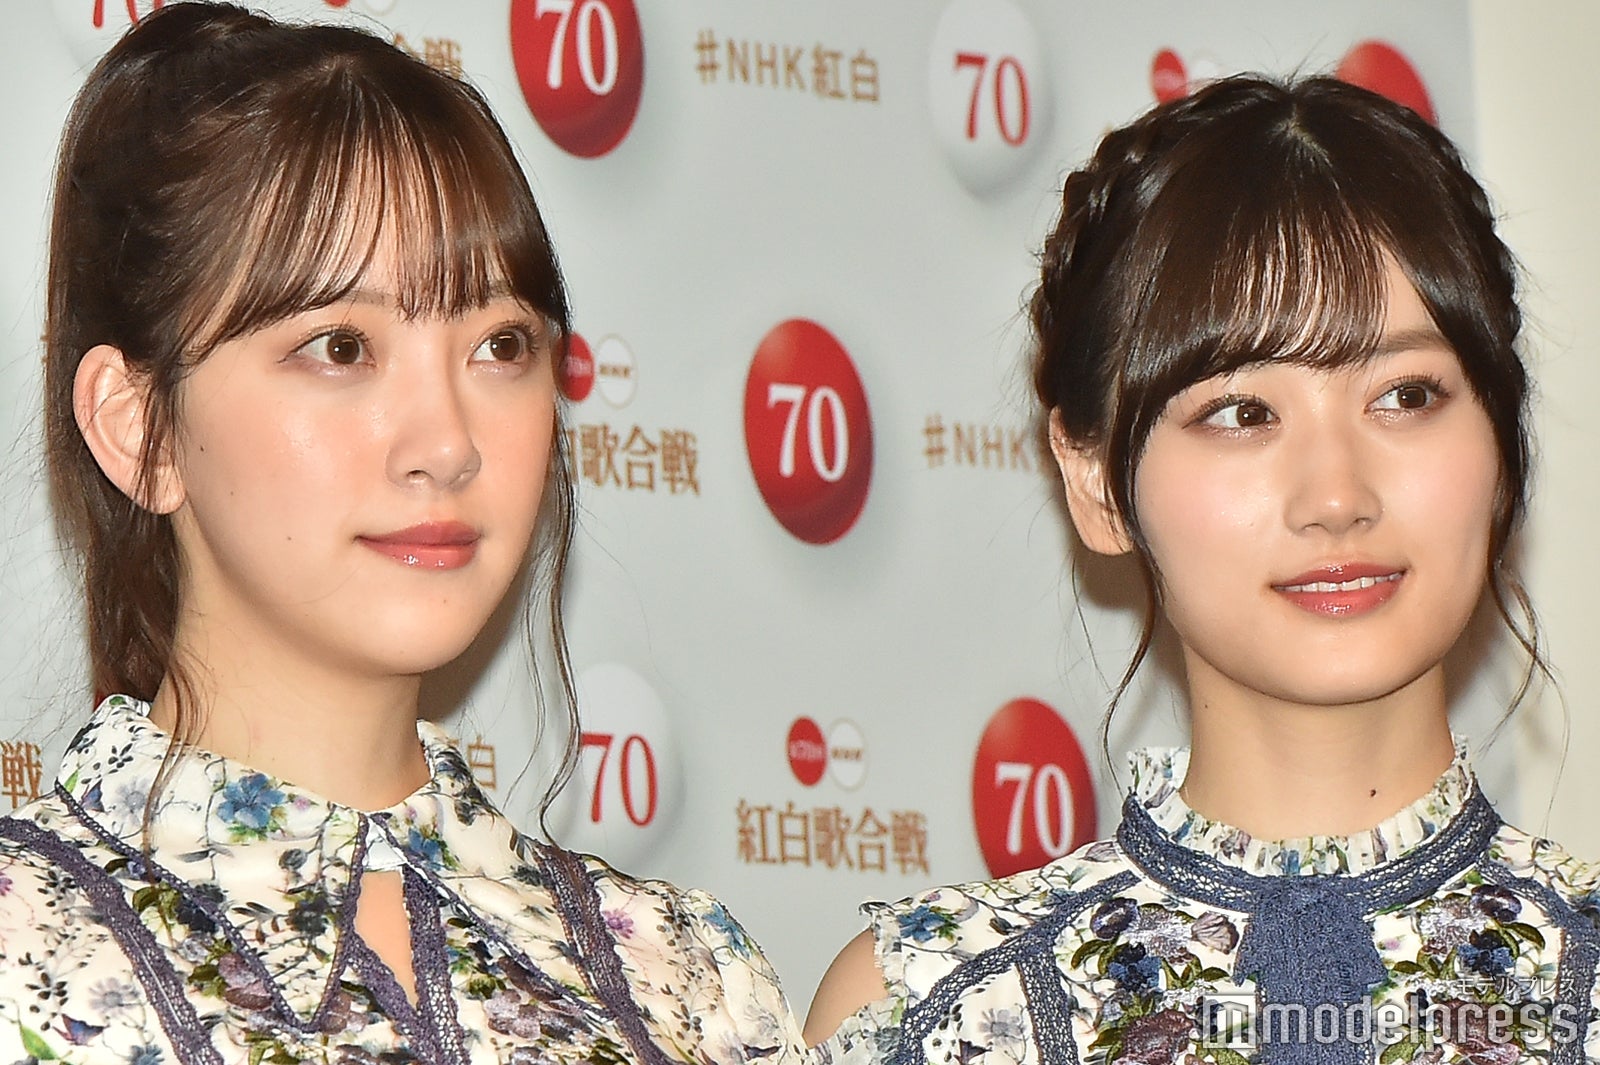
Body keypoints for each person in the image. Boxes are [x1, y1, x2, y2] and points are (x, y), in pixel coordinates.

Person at [0, 5, 801, 1063]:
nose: (448, 445)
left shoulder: (688, 975)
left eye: (500, 345)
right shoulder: (24, 945)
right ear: (137, 426)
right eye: (341, 346)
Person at [803, 75, 1600, 1065]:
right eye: (1242, 412)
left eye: (1404, 395)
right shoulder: (931, 1009)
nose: (1336, 495)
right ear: (1096, 481)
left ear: (1501, 446)